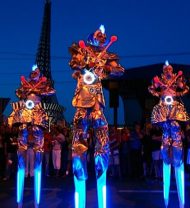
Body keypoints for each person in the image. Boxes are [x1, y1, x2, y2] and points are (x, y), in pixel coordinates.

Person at [69, 24, 124, 208]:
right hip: (81, 99)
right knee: (79, 142)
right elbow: (73, 63)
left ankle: (101, 172)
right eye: (99, 34)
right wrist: (87, 63)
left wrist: (106, 67)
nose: (102, 36)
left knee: (102, 139)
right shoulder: (81, 50)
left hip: (97, 102)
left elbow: (119, 70)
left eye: (104, 35)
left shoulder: (106, 54)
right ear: (91, 37)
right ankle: (80, 173)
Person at [8, 64, 55, 207]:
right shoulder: (25, 84)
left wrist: (41, 89)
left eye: (36, 73)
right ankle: (20, 200)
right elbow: (18, 92)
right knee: (21, 155)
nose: (34, 74)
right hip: (25, 116)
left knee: (38, 155)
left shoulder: (43, 85)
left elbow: (51, 91)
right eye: (33, 73)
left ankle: (36, 200)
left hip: (38, 117)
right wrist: (26, 89)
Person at [148, 61, 189, 208]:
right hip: (163, 106)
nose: (168, 70)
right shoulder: (159, 79)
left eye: (170, 68)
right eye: (166, 68)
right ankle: (167, 151)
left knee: (175, 127)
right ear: (163, 70)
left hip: (175, 106)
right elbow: (152, 89)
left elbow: (184, 89)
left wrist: (178, 89)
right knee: (166, 129)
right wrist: (158, 92)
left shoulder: (176, 78)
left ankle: (177, 154)